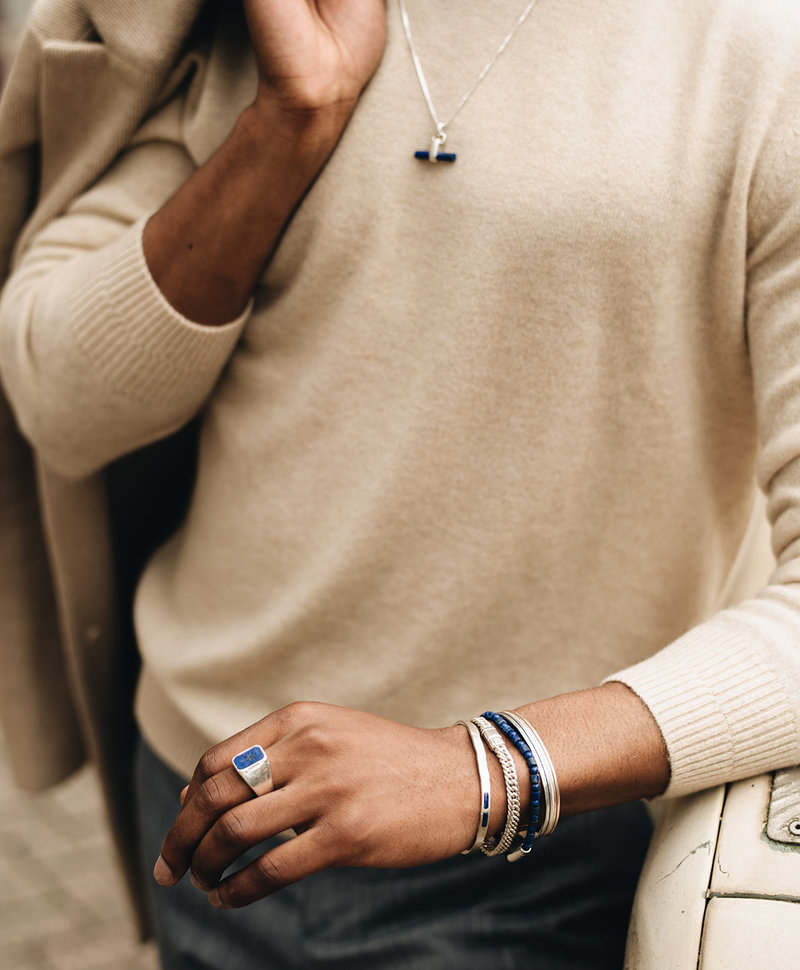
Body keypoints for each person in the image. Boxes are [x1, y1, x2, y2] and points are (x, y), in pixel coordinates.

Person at [1, 0, 799, 967]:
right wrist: (291, 119)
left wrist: (484, 768)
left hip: (545, 849)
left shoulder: (761, 47)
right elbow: (65, 405)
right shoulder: (231, 19)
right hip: (207, 787)